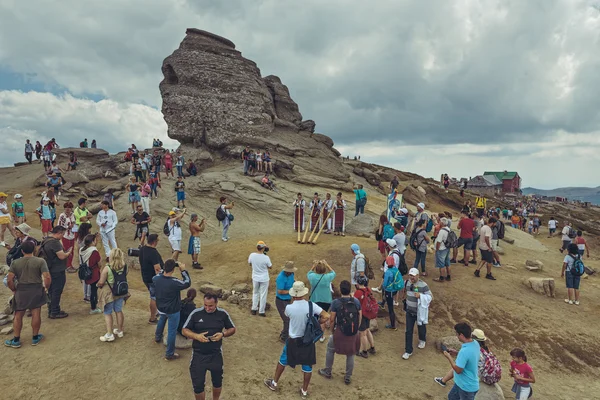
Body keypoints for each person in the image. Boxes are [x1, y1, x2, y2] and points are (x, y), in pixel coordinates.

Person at [264, 281, 330, 398]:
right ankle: (304, 390)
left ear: (293, 294)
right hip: (308, 340)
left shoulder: (289, 308)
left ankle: (274, 383)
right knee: (307, 367)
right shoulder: (311, 305)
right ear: (304, 294)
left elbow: (288, 315)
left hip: (293, 340)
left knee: (282, 361)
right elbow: (326, 316)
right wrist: (318, 323)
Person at [182, 293, 236, 400]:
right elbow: (184, 330)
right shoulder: (196, 313)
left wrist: (223, 334)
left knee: (217, 382)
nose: (207, 308)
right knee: (198, 386)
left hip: (216, 354)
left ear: (216, 303)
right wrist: (196, 336)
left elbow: (232, 329)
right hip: (198, 354)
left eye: (210, 306)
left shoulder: (222, 314)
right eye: (205, 305)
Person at [4, 241, 51, 348]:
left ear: (22, 251)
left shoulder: (15, 263)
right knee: (36, 312)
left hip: (21, 290)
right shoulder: (40, 261)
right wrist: (46, 287)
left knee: (18, 315)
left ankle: (16, 339)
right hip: (36, 289)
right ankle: (35, 337)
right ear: (34, 250)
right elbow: (47, 277)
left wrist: (14, 289)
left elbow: (10, 279)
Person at [318, 280, 361, 385]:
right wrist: (356, 329)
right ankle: (348, 377)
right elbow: (360, 317)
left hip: (340, 331)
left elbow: (332, 319)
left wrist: (333, 330)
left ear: (341, 290)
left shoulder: (336, 303)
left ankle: (328, 371)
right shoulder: (356, 301)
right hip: (352, 331)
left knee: (330, 349)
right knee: (351, 353)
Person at [154, 259, 191, 360]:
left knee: (162, 319)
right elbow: (187, 283)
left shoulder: (156, 278)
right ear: (173, 270)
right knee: (171, 331)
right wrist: (183, 270)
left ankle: (157, 337)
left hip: (161, 306)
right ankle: (169, 354)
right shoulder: (174, 282)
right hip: (173, 309)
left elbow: (159, 275)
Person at [39, 226, 72, 319]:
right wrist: (68, 253)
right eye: (63, 234)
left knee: (51, 290)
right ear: (60, 233)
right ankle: (55, 311)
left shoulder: (46, 240)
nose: (63, 236)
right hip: (57, 270)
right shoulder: (55, 243)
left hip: (50, 269)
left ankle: (52, 309)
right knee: (57, 290)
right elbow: (61, 256)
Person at [442, 322, 480, 400]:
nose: (457, 336)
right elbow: (469, 357)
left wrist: (449, 357)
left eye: (457, 334)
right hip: (462, 383)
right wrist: (457, 353)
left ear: (461, 335)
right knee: (452, 397)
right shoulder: (475, 343)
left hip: (466, 387)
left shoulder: (464, 351)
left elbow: (458, 370)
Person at [96, 247, 128, 342]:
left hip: (109, 292)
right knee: (118, 310)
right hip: (121, 291)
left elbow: (101, 282)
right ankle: (120, 330)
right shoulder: (124, 266)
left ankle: (109, 334)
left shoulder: (107, 268)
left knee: (108, 312)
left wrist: (98, 285)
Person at [402, 268, 432, 359]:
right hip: (409, 311)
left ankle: (422, 339)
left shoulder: (423, 285)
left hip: (419, 312)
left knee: (421, 326)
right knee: (408, 331)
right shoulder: (406, 283)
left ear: (418, 276)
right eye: (410, 275)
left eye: (413, 276)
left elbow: (430, 296)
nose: (412, 278)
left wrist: (421, 296)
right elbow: (404, 291)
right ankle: (408, 351)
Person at [307, 260, 336, 342]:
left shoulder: (312, 276)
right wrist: (327, 265)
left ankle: (312, 332)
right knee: (323, 317)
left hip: (315, 300)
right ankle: (321, 336)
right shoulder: (327, 277)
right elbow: (333, 272)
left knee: (314, 317)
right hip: (326, 300)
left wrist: (314, 265)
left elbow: (309, 273)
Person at [139, 234, 163, 323]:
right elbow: (157, 269)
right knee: (154, 297)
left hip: (146, 277)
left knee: (154, 296)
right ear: (154, 242)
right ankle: (152, 318)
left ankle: (155, 312)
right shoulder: (153, 252)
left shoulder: (142, 249)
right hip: (153, 278)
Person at [79, 234, 103, 314]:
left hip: (85, 271)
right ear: (92, 242)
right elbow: (99, 264)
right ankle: (93, 308)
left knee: (90, 288)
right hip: (94, 273)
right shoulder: (94, 251)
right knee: (94, 291)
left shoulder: (81, 249)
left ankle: (89, 301)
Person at [353, 275, 376, 357]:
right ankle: (372, 348)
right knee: (367, 330)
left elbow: (354, 302)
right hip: (368, 313)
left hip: (362, 314)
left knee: (362, 333)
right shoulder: (368, 289)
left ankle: (364, 351)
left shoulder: (358, 292)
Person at [248, 241, 272, 316]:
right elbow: (270, 267)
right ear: (263, 248)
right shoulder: (266, 258)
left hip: (255, 277)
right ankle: (261, 311)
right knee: (263, 294)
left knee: (255, 293)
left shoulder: (252, 255)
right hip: (264, 278)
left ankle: (254, 309)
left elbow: (249, 263)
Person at [275, 261, 296, 342]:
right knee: (287, 319)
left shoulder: (291, 274)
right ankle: (284, 337)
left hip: (288, 299)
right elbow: (280, 291)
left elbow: (292, 281)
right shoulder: (280, 277)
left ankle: (284, 333)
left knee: (289, 318)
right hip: (281, 301)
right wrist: (291, 291)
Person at [382, 255, 403, 330]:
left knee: (391, 309)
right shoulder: (396, 269)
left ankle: (393, 325)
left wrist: (384, 288)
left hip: (389, 291)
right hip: (394, 290)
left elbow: (384, 284)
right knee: (391, 307)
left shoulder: (388, 272)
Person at [57, 202, 76, 272]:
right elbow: (60, 225)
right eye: (66, 207)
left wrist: (73, 225)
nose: (68, 209)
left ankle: (70, 265)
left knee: (72, 251)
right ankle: (67, 266)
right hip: (65, 235)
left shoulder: (72, 215)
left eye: (69, 208)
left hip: (72, 234)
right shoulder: (62, 216)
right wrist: (68, 227)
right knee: (67, 250)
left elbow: (74, 222)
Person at [434, 218, 452, 282]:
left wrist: (437, 249)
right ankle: (448, 276)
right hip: (447, 248)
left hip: (441, 249)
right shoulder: (448, 229)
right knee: (447, 262)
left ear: (442, 223)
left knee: (441, 264)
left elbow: (439, 241)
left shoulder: (442, 231)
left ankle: (441, 277)